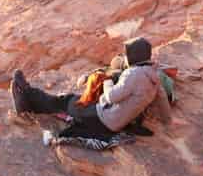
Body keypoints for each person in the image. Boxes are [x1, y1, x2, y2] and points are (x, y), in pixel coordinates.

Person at [11, 37, 160, 144]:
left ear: (133, 57)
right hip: (115, 121)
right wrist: (166, 121)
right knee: (75, 101)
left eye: (127, 54)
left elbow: (111, 97)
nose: (125, 57)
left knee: (67, 101)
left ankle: (26, 97)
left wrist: (107, 82)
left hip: (102, 120)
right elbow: (163, 104)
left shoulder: (133, 74)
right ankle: (30, 100)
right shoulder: (154, 75)